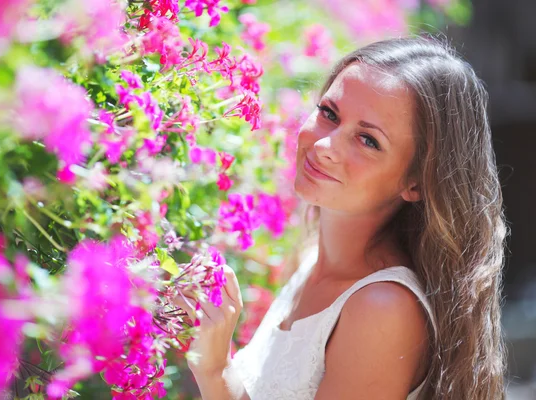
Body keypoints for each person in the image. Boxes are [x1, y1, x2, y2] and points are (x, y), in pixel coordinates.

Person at [174, 36, 508, 400]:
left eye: (367, 140)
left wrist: (215, 369)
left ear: (416, 182)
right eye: (329, 113)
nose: (322, 146)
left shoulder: (381, 310)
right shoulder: (312, 259)